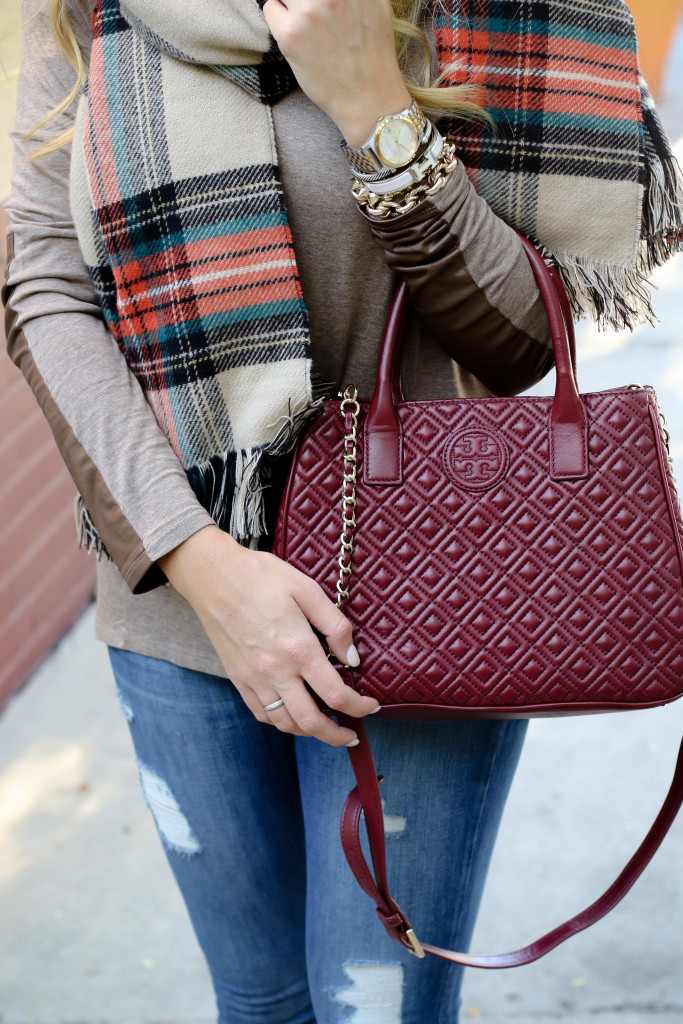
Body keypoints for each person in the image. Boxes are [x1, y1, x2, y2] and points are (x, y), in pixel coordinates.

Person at [5, 1, 601, 1021]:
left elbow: (519, 339)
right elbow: (45, 288)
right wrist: (200, 559)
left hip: (428, 604)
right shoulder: (89, 15)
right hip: (176, 598)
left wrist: (371, 101)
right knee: (261, 1002)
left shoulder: (477, 13)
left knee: (380, 1008)